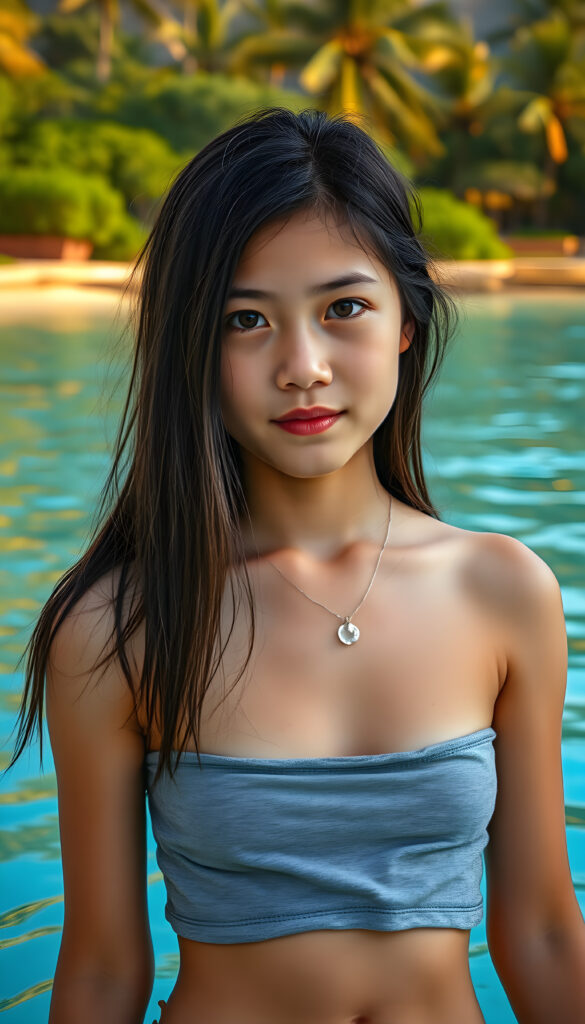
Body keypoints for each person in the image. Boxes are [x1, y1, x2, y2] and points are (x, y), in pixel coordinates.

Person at [9, 106, 585, 1024]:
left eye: (343, 308)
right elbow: (105, 970)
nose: (302, 366)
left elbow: (546, 934)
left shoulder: (501, 593)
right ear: (193, 347)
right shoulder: (122, 627)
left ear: (405, 319)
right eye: (245, 320)